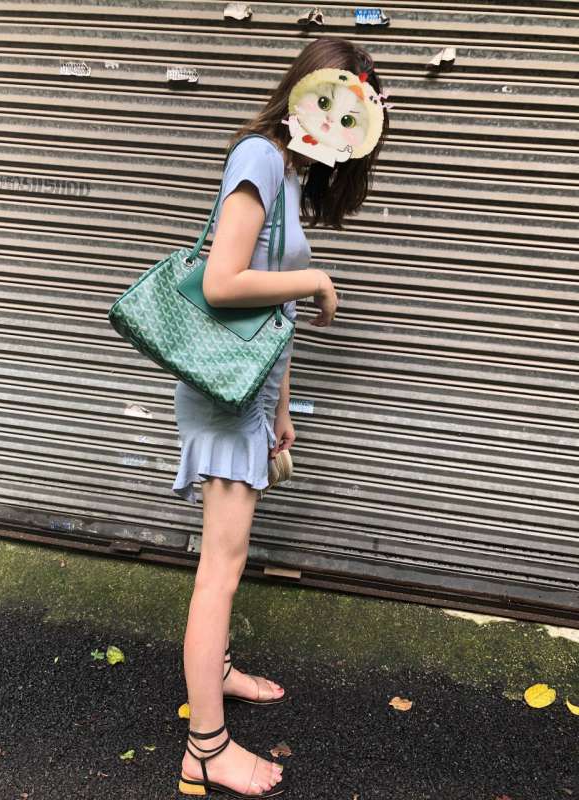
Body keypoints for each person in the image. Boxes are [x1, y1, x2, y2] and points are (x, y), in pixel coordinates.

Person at [175, 36, 390, 798]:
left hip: (253, 393)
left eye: (354, 120)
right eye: (333, 105)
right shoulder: (260, 158)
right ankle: (205, 749)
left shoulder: (289, 173)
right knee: (221, 569)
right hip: (225, 392)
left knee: (226, 561)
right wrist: (317, 280)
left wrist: (284, 405)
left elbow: (272, 307)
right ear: (305, 90)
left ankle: (218, 672)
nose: (339, 128)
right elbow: (223, 282)